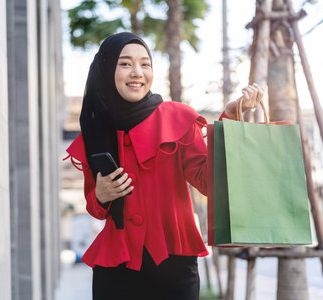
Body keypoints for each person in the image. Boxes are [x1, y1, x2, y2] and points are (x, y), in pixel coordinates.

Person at [64, 32, 264, 300]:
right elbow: (95, 208)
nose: (137, 72)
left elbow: (207, 182)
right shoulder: (95, 129)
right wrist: (101, 195)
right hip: (116, 267)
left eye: (145, 64)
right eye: (125, 64)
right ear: (107, 69)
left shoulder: (177, 118)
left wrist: (230, 118)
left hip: (174, 262)